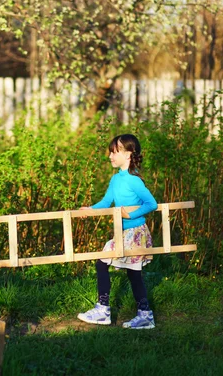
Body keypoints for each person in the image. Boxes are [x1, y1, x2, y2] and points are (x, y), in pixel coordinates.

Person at [77, 134, 158, 329]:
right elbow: (106, 202)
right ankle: (135, 313)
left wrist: (131, 215)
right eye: (110, 152)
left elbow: (151, 203)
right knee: (124, 270)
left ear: (128, 154)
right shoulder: (115, 179)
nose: (110, 156)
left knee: (114, 266)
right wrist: (90, 209)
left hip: (136, 232)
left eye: (115, 152)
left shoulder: (134, 180)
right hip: (122, 233)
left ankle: (110, 310)